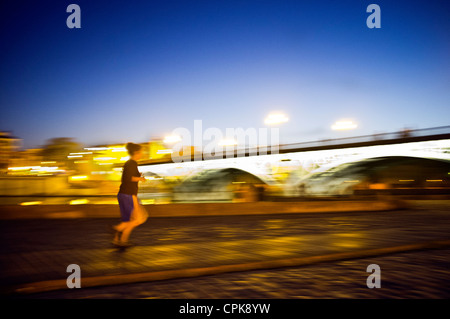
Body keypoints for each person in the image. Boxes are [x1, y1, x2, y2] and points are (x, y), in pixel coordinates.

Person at [113, 142, 147, 247]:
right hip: (129, 194)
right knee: (139, 218)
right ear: (136, 152)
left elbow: (128, 177)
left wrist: (139, 176)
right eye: (141, 152)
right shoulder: (132, 163)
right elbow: (129, 178)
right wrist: (140, 178)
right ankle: (117, 230)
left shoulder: (129, 163)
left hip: (124, 194)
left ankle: (121, 241)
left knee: (130, 220)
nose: (142, 153)